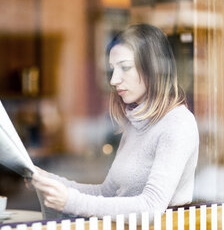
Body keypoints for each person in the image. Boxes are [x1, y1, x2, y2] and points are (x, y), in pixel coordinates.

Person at [29, 23, 199, 219]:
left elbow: (151, 207)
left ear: (153, 68)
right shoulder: (135, 124)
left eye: (125, 67)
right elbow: (107, 194)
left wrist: (70, 201)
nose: (114, 80)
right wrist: (48, 180)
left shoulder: (178, 124)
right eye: (112, 69)